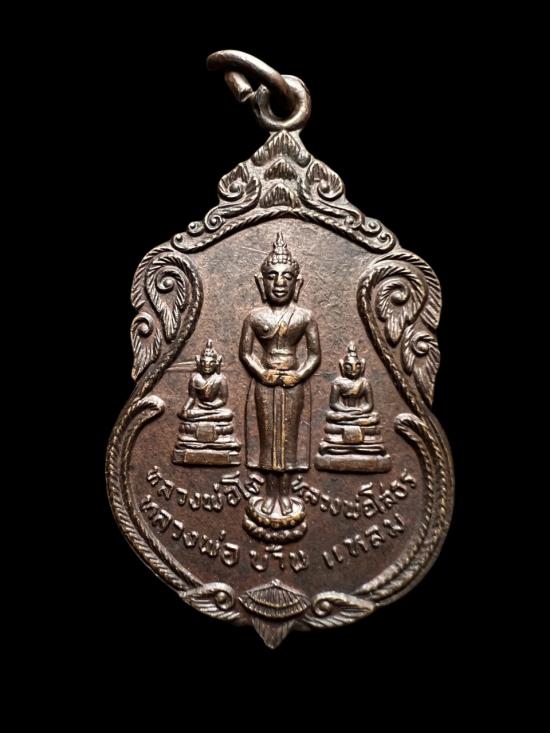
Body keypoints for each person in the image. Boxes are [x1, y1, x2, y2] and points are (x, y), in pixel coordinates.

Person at [239, 232, 320, 517]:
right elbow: (245, 354)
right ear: (261, 282)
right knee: (268, 438)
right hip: (265, 383)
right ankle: (269, 492)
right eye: (272, 276)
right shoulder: (254, 317)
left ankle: (285, 493)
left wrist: (299, 375)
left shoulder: (305, 316)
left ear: (297, 282)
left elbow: (314, 355)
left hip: (293, 383)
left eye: (287, 276)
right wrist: (262, 373)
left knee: (288, 438)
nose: (280, 283)